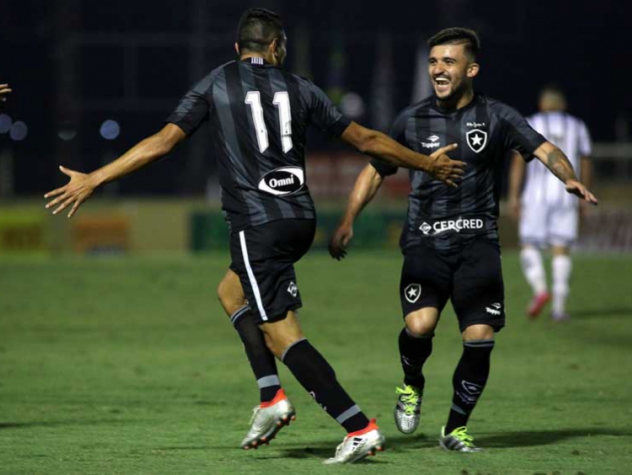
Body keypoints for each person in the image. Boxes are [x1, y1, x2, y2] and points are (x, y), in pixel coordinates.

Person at [44, 8, 464, 465]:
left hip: (257, 223)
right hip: (298, 219)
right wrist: (424, 163)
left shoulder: (216, 83)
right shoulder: (301, 86)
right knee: (230, 292)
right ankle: (270, 397)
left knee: (283, 337)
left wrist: (96, 178)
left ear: (237, 48)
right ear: (277, 47)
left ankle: (357, 426)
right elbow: (365, 139)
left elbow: (163, 142)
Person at [329, 28, 597, 453]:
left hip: (478, 243)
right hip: (425, 240)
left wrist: (570, 178)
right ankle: (411, 384)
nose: (438, 69)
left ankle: (455, 429)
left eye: (448, 62)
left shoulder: (497, 117)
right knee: (420, 325)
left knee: (479, 336)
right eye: (434, 61)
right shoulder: (411, 119)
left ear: (471, 69)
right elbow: (375, 169)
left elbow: (544, 149)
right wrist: (348, 219)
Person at [508, 85, 593, 321]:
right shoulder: (577, 126)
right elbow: (585, 161)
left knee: (528, 244)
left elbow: (518, 163)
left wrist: (514, 195)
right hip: (567, 194)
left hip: (535, 196)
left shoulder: (530, 123)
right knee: (561, 248)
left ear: (542, 104)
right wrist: (584, 190)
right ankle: (559, 308)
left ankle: (540, 290)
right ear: (563, 105)